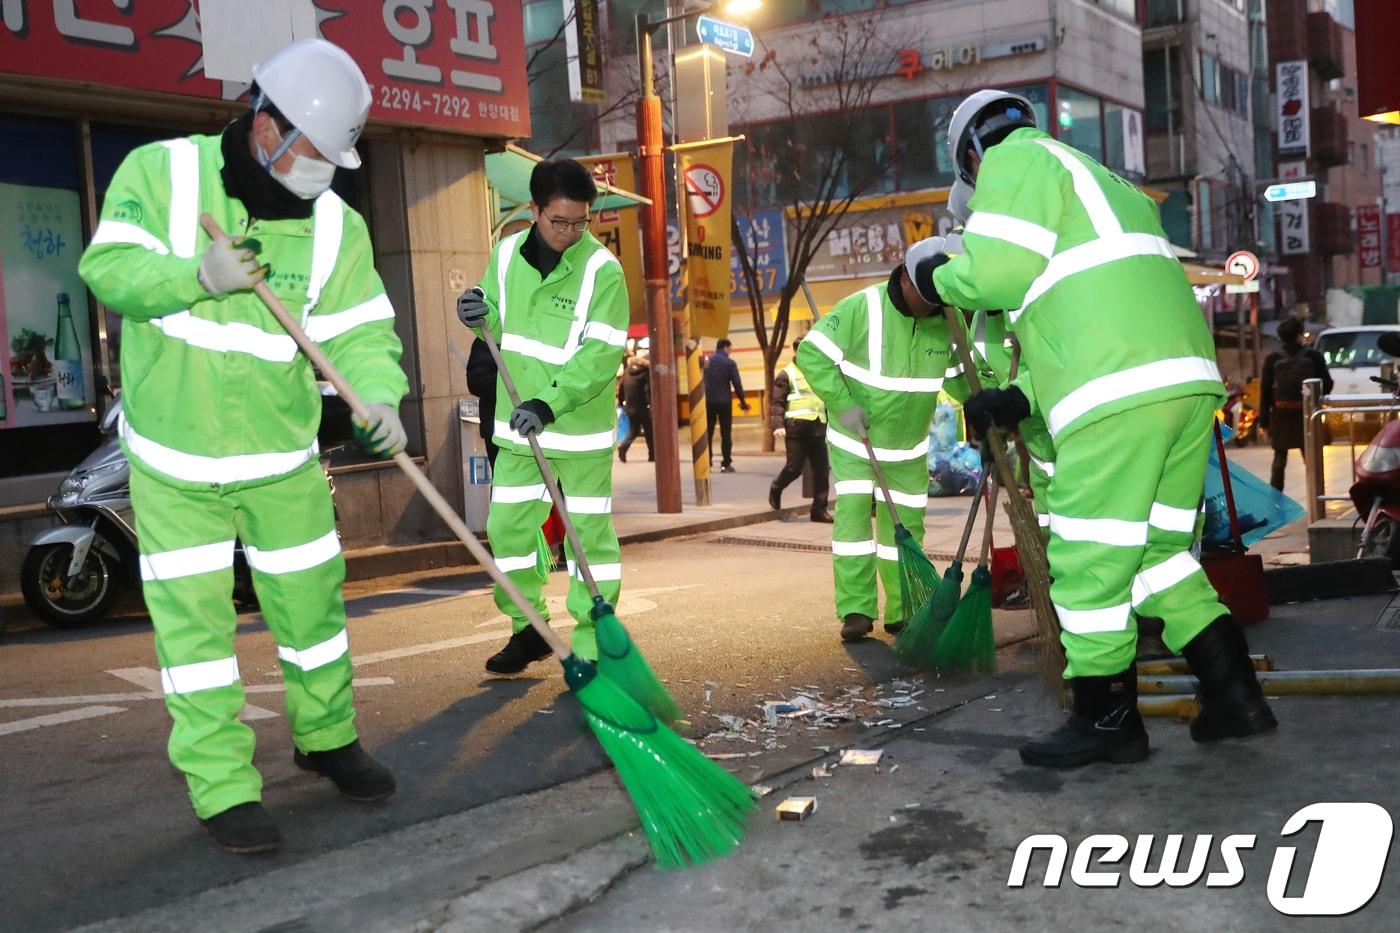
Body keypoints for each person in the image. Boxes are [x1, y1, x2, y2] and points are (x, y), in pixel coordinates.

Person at [78, 39, 405, 853]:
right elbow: (108, 267)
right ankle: (222, 787)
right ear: (267, 128)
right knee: (194, 636)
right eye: (314, 156)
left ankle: (326, 738)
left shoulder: (335, 223)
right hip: (176, 462)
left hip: (280, 458)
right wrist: (196, 273)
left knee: (314, 613)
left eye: (337, 161)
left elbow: (362, 330)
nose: (324, 175)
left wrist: (381, 398)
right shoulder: (164, 174)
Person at [907, 88, 1276, 768]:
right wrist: (1018, 398)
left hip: (1118, 396)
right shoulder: (1105, 183)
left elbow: (996, 272)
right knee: (1160, 558)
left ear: (972, 153)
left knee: (1084, 563)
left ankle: (1108, 719)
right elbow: (1090, 311)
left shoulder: (1015, 163)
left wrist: (936, 272)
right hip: (1182, 387)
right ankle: (1236, 697)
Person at [457, 159, 627, 675]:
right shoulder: (506, 253)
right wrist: (476, 310)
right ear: (534, 211)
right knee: (506, 530)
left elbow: (600, 356)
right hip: (517, 428)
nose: (572, 232)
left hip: (576, 430)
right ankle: (527, 626)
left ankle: (595, 642)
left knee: (586, 537)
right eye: (560, 222)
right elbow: (494, 313)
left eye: (581, 222)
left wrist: (549, 402)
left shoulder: (604, 271)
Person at [797, 254, 970, 642]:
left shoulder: (947, 319)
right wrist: (843, 405)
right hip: (856, 442)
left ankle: (902, 611)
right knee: (855, 524)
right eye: (926, 300)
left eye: (937, 302)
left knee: (906, 535)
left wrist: (984, 404)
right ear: (905, 280)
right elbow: (811, 354)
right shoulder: (864, 307)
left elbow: (961, 377)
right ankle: (857, 609)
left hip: (908, 451)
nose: (931, 308)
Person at [1259, 317, 1332, 490]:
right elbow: (1327, 383)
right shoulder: (1314, 356)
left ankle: (1276, 498)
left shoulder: (1272, 359)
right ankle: (1316, 495)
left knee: (1279, 459)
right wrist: (1315, 400)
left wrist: (1264, 423)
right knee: (1310, 458)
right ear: (1300, 335)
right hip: (1307, 414)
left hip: (1280, 415)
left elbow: (1265, 392)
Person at [768, 336, 833, 523]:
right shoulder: (786, 374)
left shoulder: (819, 372)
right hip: (796, 427)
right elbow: (777, 402)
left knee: (822, 471)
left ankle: (818, 510)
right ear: (796, 351)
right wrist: (778, 425)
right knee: (794, 468)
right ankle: (777, 487)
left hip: (817, 425)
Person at [704, 338, 749, 472]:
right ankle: (726, 463)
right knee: (726, 433)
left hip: (708, 401)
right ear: (725, 347)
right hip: (724, 402)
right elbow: (737, 384)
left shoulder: (707, 362)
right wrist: (743, 402)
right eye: (730, 349)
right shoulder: (729, 363)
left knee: (708, 433)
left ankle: (707, 463)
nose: (730, 351)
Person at [616, 354, 653, 462]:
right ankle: (652, 455)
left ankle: (623, 447)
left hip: (630, 407)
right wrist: (650, 404)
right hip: (643, 407)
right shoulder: (645, 372)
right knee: (649, 431)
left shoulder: (627, 372)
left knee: (633, 430)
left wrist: (621, 402)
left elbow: (621, 389)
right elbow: (648, 390)